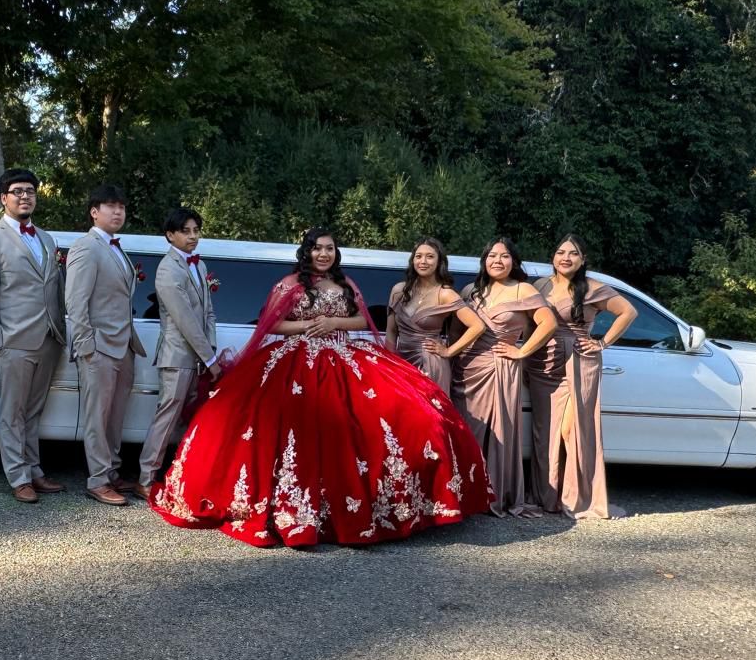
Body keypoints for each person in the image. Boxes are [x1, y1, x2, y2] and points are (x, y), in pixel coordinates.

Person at [151, 228, 491, 547]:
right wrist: (307, 327)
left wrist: (333, 322)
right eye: (317, 248)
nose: (323, 254)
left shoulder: (346, 284)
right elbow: (273, 323)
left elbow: (362, 319)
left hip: (344, 358)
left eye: (329, 248)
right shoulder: (289, 284)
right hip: (294, 362)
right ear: (307, 252)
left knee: (404, 417)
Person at [0, 168, 68, 504]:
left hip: (49, 338)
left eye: (30, 191)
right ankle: (18, 476)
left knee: (34, 411)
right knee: (12, 413)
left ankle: (34, 470)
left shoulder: (46, 239)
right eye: (18, 191)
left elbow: (55, 288)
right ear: (4, 198)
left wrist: (60, 331)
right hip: (12, 340)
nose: (25, 196)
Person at [529, 235, 638, 519]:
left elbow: (628, 312)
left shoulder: (593, 288)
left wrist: (602, 342)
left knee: (572, 431)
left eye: (573, 253)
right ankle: (547, 497)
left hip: (578, 361)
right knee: (545, 433)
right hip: (542, 364)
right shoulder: (540, 286)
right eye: (561, 252)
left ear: (582, 259)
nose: (566, 257)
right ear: (553, 256)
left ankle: (578, 497)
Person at [451, 238, 556, 518]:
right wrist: (450, 356)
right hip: (466, 369)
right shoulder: (470, 291)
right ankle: (466, 493)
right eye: (492, 255)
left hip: (501, 367)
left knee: (499, 433)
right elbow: (456, 331)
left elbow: (549, 323)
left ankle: (496, 493)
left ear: (514, 261)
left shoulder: (524, 289)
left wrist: (522, 350)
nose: (498, 261)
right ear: (484, 260)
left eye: (505, 256)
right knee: (467, 430)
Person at [64, 184, 147, 506]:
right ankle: (97, 480)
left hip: (123, 346)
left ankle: (111, 470)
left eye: (121, 207)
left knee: (115, 416)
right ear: (94, 212)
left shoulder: (117, 249)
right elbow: (76, 302)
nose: (117, 212)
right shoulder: (86, 247)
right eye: (111, 206)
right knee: (97, 417)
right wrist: (86, 346)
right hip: (98, 346)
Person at [134, 208, 224, 497]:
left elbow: (208, 313)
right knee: (168, 417)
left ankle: (186, 476)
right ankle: (145, 479)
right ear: (170, 235)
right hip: (177, 357)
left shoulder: (199, 265)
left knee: (191, 419)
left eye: (196, 230)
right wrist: (210, 359)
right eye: (186, 231)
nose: (193, 236)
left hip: (199, 357)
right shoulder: (168, 269)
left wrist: (210, 349)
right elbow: (184, 319)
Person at [384, 236, 485, 394]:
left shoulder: (445, 294)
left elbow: (478, 326)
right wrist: (390, 362)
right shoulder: (399, 291)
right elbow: (391, 331)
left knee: (428, 409)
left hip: (430, 365)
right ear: (413, 260)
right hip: (401, 364)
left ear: (439, 262)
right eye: (418, 256)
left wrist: (448, 351)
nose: (423, 261)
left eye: (430, 256)